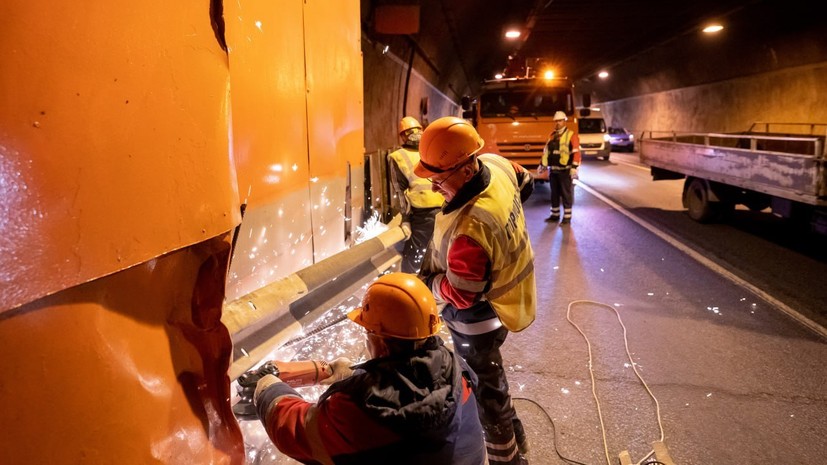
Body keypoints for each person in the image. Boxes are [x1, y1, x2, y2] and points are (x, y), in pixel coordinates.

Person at [252, 272, 486, 465]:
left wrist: (267, 388)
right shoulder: (455, 369)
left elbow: (296, 430)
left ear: (381, 342)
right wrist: (357, 376)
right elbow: (407, 385)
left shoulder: (362, 411)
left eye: (368, 332)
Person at [414, 116, 536, 465]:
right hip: (508, 298)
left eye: (439, 179)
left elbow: (462, 294)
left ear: (467, 170)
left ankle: (507, 459)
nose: (435, 188)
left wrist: (429, 286)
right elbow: (524, 184)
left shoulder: (472, 227)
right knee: (492, 374)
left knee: (485, 387)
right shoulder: (496, 164)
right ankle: (517, 434)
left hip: (478, 317)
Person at [387, 116, 445, 273]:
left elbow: (401, 193)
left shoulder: (397, 157)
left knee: (412, 262)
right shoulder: (432, 150)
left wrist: (405, 220)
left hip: (423, 215)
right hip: (445, 209)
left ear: (403, 136)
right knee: (439, 254)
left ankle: (412, 292)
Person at [539, 110, 581, 224]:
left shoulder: (571, 135)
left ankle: (567, 217)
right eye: (556, 121)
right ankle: (555, 215)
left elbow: (576, 153)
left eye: (560, 120)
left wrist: (574, 168)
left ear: (564, 121)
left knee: (566, 194)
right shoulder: (552, 135)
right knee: (554, 193)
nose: (558, 123)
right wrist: (542, 165)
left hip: (565, 170)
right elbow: (546, 152)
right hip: (553, 170)